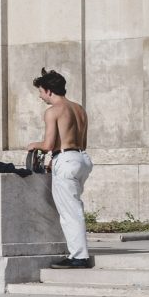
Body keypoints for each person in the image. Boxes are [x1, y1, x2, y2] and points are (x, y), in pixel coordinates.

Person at [31, 68, 93, 269]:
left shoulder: (53, 111)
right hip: (82, 158)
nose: (40, 96)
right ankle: (78, 252)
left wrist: (34, 145)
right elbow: (80, 139)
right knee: (74, 207)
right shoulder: (78, 108)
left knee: (70, 212)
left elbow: (48, 144)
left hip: (66, 161)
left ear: (49, 90)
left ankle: (79, 257)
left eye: (40, 91)